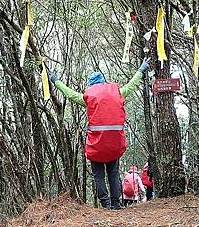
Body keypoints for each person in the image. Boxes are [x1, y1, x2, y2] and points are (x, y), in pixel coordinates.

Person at [49, 59, 150, 209]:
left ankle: (106, 204)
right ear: (104, 81)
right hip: (115, 144)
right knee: (113, 175)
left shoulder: (88, 98)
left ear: (91, 85)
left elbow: (70, 94)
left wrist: (55, 80)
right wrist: (141, 70)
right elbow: (131, 85)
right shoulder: (117, 93)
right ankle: (116, 204)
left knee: (98, 176)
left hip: (97, 145)